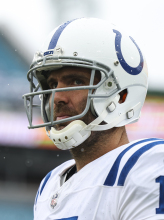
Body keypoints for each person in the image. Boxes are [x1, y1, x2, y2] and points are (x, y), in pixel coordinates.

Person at [23, 18, 164, 220]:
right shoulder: (50, 184)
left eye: (76, 81)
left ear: (121, 94)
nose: (57, 97)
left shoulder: (146, 165)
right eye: (53, 84)